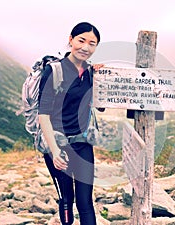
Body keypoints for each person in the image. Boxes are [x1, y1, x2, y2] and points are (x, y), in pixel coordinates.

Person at [38, 22, 103, 225]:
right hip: (57, 143)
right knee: (67, 199)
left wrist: (104, 80)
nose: (86, 47)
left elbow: (100, 106)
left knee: (85, 201)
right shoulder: (54, 71)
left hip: (82, 143)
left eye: (92, 44)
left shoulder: (92, 73)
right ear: (71, 40)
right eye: (81, 40)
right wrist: (55, 150)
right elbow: (43, 114)